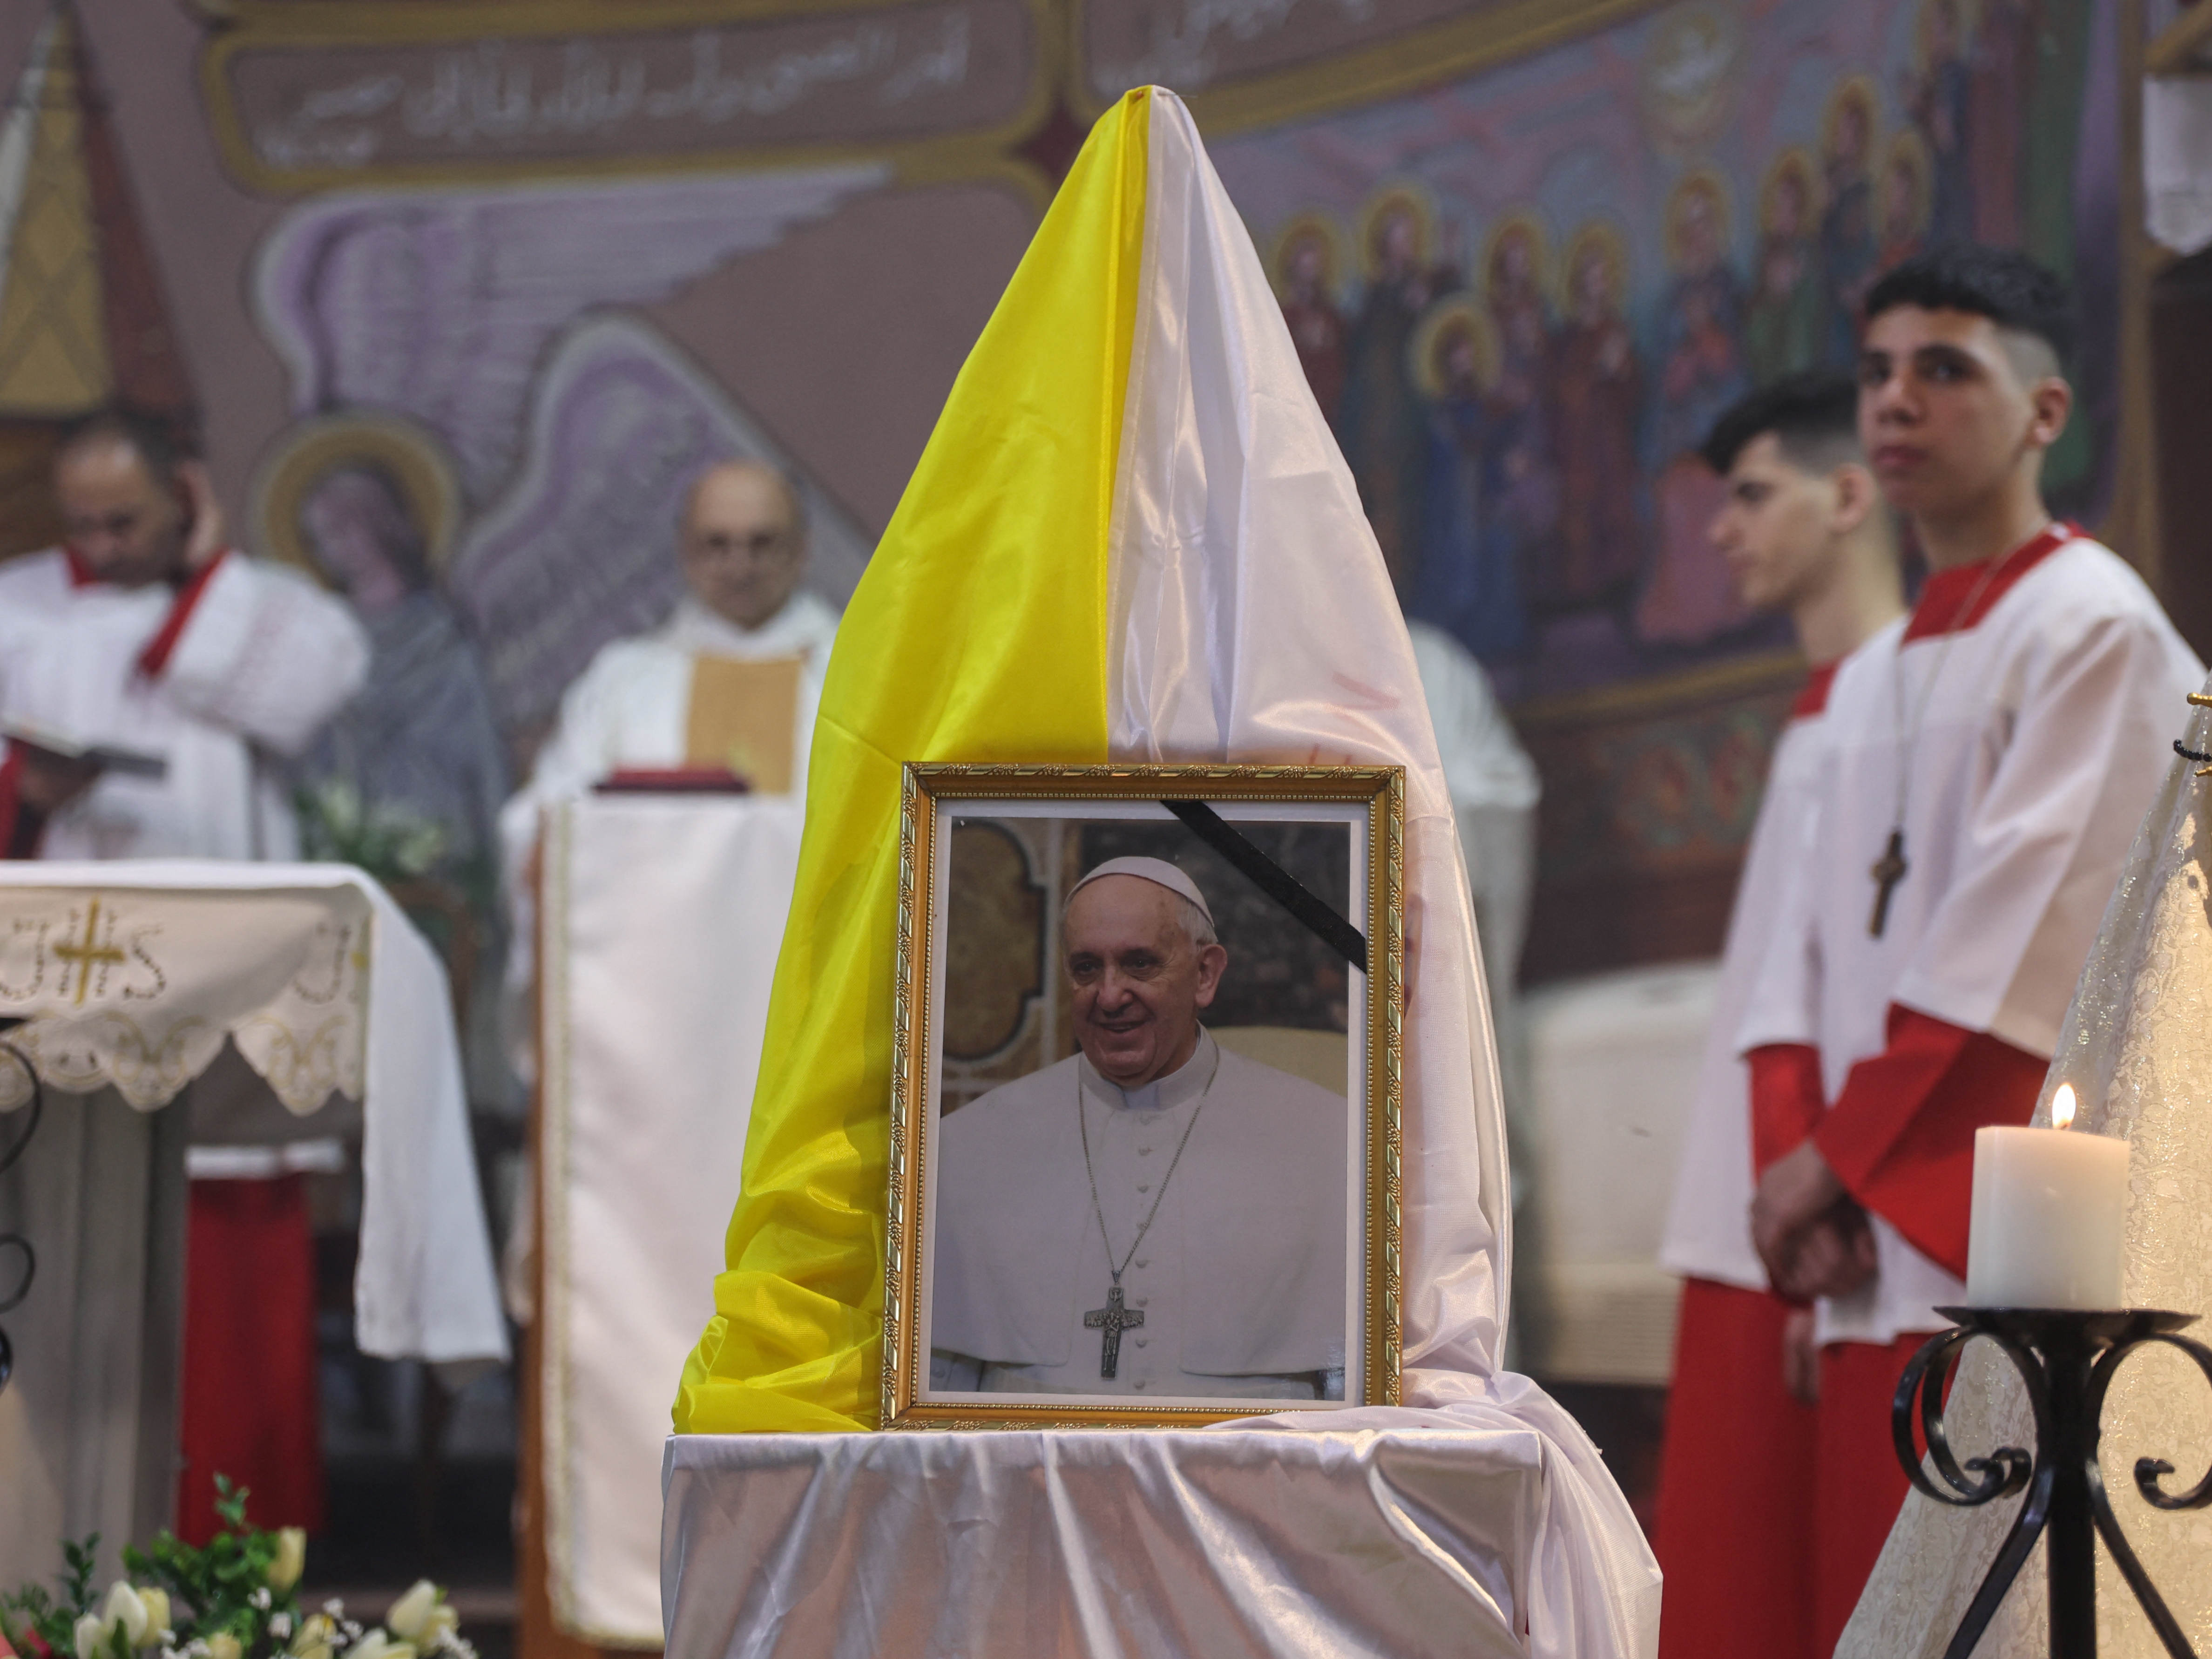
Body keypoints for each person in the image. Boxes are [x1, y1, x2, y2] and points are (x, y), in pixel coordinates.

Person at [1737, 245, 2203, 1652]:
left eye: (1943, 369)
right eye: (1876, 369)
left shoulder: (2092, 627)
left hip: (1985, 1218)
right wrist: (1809, 1186)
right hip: (1867, 1228)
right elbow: (1808, 956)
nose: (1894, 399)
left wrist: (1831, 1162)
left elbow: (2027, 940)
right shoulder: (1867, 671)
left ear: (2043, 412)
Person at [1650, 373, 1905, 1659]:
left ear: (1848, 493)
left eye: (1751, 495)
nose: (1719, 529)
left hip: (1800, 1223)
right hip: (1772, 1213)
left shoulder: (1888, 705)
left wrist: (1803, 1226)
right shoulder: (1824, 707)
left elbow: (1812, 1004)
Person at [929, 859, 1347, 1399]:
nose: (1108, 995)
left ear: (1204, 974)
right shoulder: (969, 1145)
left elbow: (1347, 1393)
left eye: (1139, 963)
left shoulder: (1325, 1139)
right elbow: (938, 1391)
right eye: (1085, 967)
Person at [0, 408, 369, 860]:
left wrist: (207, 576)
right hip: (73, 898)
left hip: (222, 895)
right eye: (82, 525)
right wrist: (23, 790)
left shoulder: (270, 600)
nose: (102, 546)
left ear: (181, 494)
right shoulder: (14, 602)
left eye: (122, 523)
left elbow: (309, 706)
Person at [498, 457, 839, 867]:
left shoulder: (856, 676)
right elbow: (545, 816)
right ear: (685, 550)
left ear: (801, 548)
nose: (739, 566)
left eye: (762, 542)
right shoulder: (623, 680)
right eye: (717, 544)